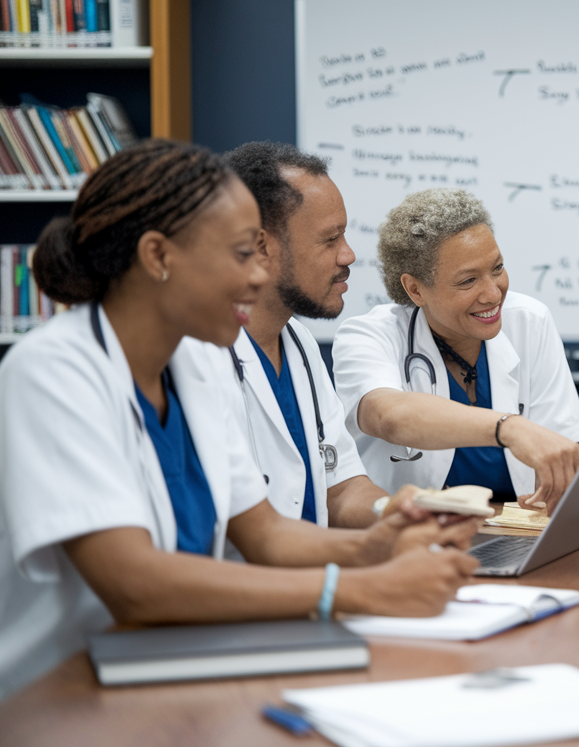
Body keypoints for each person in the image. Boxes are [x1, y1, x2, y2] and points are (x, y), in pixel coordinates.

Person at [0, 141, 480, 701]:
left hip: (178, 664)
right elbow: (134, 584)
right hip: (62, 692)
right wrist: (361, 588)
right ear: (158, 256)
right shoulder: (52, 371)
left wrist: (381, 544)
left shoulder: (190, 361)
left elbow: (267, 533)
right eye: (240, 255)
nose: (258, 277)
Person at [333, 188, 579, 514]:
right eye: (468, 280)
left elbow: (565, 444)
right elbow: (389, 416)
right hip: (412, 541)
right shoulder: (369, 336)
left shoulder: (530, 320)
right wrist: (509, 428)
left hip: (516, 533)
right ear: (415, 289)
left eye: (497, 268)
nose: (492, 293)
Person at [222, 142, 386, 528]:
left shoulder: (298, 342)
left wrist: (402, 512)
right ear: (261, 246)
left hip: (312, 572)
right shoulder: (195, 357)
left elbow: (342, 489)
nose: (348, 256)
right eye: (330, 239)